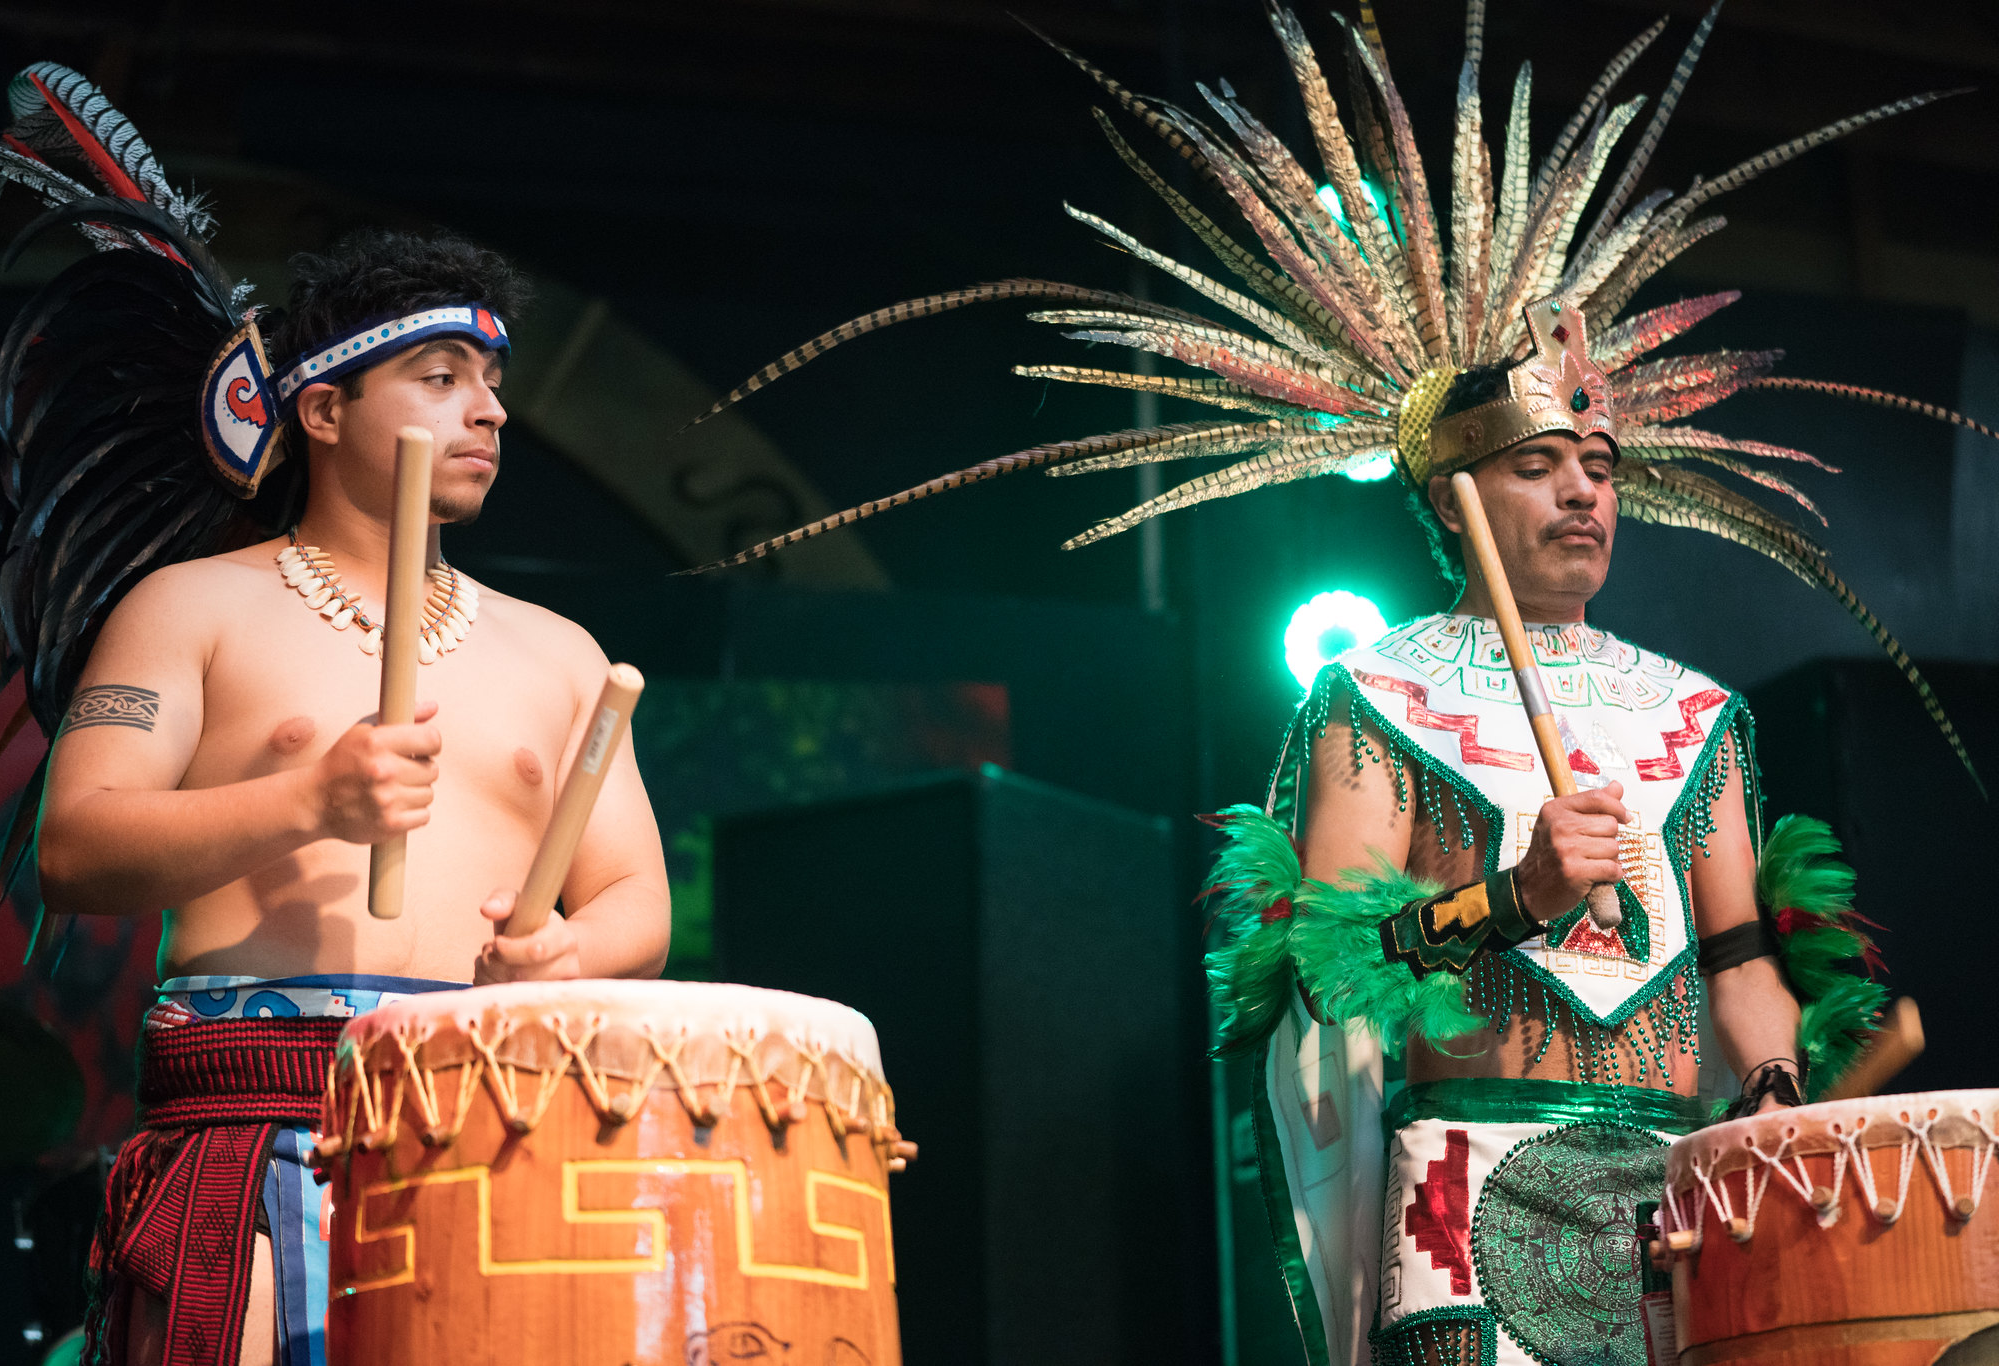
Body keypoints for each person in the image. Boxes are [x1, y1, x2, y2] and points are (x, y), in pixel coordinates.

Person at [660, 3, 1991, 1363]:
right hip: (1468, 1182)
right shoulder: (1379, 696)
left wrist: (1772, 1088)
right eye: (1539, 467)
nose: (1583, 493)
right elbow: (1332, 957)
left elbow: (1738, 958)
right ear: (1454, 497)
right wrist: (1515, 896)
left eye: (1598, 469)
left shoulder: (1695, 714)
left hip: (1680, 1194)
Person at [0, 65, 669, 1366]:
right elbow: (78, 844)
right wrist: (309, 800)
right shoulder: (193, 607)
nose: (489, 410)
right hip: (257, 1107)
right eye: (441, 376)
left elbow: (637, 900)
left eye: (492, 380)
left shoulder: (562, 651)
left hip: (492, 1105)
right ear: (325, 409)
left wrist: (565, 956)